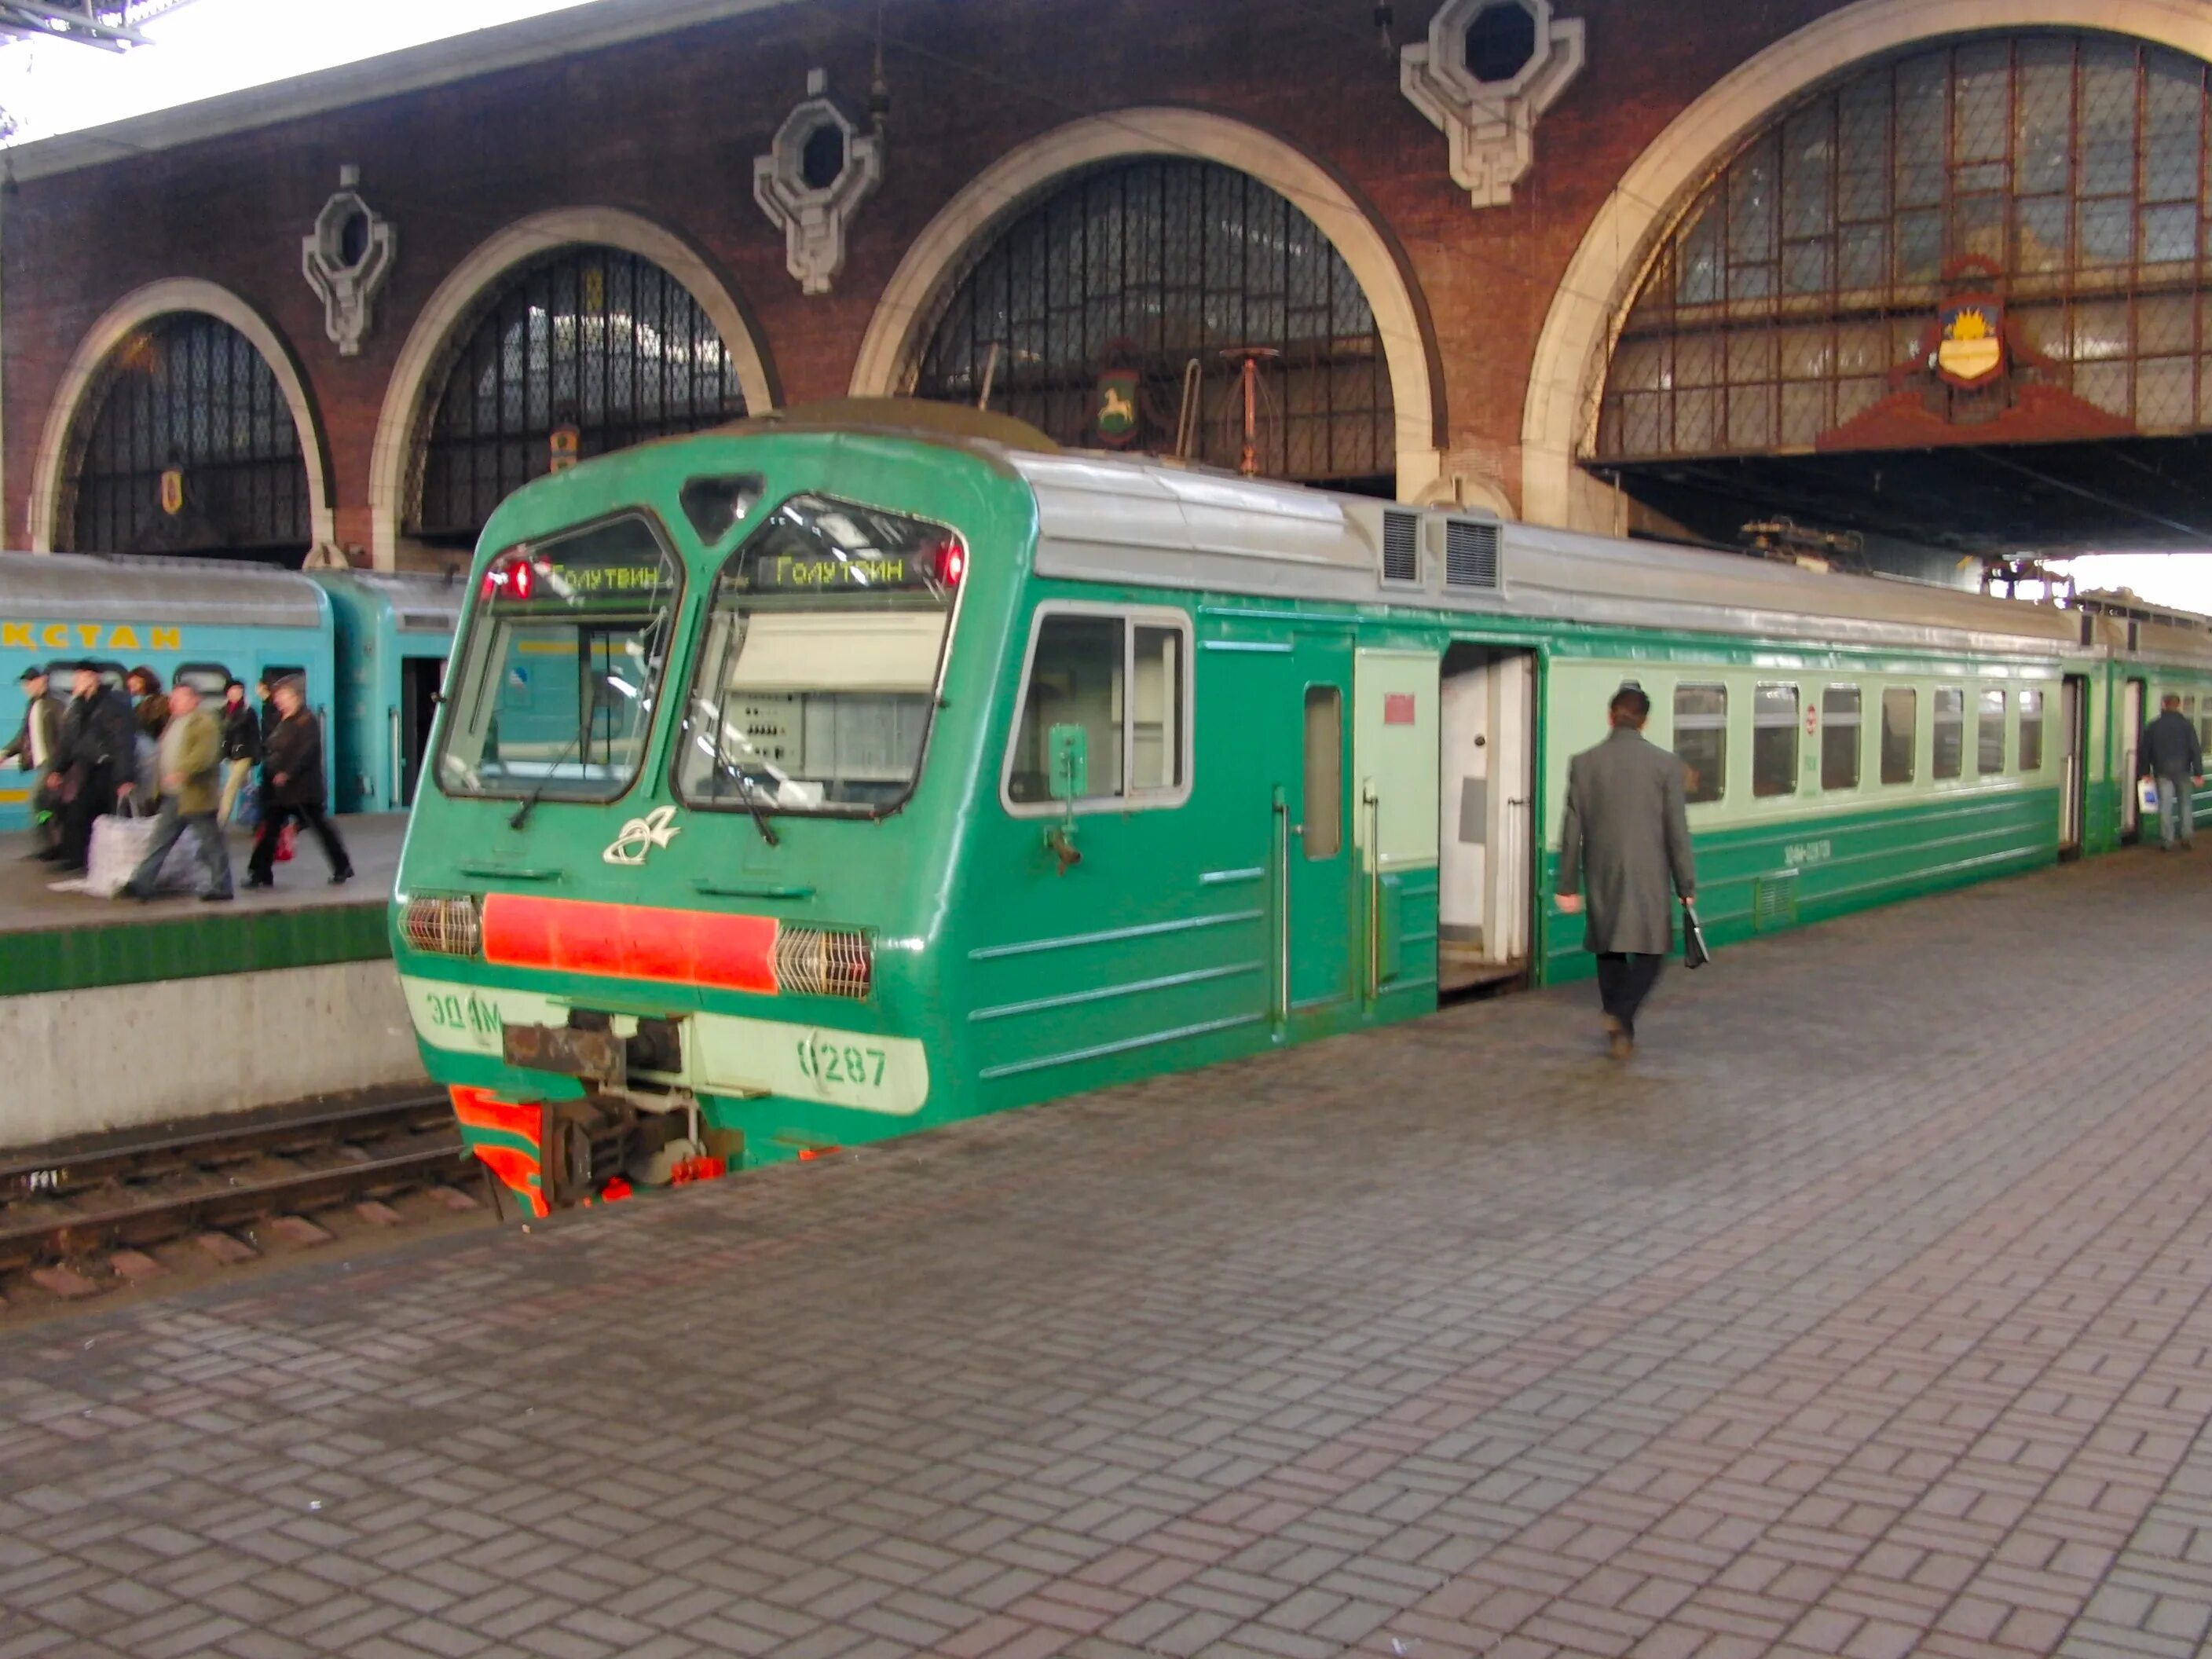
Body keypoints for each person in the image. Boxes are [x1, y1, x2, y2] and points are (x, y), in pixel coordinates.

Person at [1555, 683, 1697, 1060]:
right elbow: (1676, 831)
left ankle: (1622, 1034)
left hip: (1601, 872)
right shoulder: (1666, 765)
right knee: (1652, 953)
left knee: (1609, 949)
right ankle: (1620, 1014)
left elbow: (1571, 829)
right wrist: (1686, 883)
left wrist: (1567, 884)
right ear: (1645, 722)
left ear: (1610, 716)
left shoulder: (1583, 763)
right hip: (1650, 873)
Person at [122, 677, 232, 903]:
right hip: (174, 795)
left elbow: (205, 755)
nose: (174, 702)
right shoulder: (175, 721)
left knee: (211, 842)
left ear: (194, 700)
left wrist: (183, 771)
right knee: (159, 840)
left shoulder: (204, 723)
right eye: (174, 698)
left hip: (196, 794)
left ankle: (222, 886)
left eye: (180, 698)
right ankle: (141, 882)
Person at [248, 676, 352, 888]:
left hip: (302, 789)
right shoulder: (281, 719)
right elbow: (271, 745)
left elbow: (308, 750)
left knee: (321, 828)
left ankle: (342, 866)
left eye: (284, 696)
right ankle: (260, 872)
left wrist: (288, 772)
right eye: (278, 697)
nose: (279, 700)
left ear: (296, 697)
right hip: (278, 790)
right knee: (270, 830)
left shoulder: (307, 720)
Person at [45, 663, 138, 873]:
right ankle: (78, 858)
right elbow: (68, 742)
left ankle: (102, 860)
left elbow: (123, 741)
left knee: (105, 816)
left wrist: (125, 777)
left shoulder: (113, 704)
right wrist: (58, 770)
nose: (76, 683)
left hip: (109, 767)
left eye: (81, 678)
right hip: (87, 767)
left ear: (93, 678)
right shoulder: (77, 707)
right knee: (79, 812)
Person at [2, 664, 66, 856]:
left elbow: (64, 738)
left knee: (37, 802)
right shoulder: (32, 706)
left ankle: (47, 845)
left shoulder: (55, 705)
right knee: (47, 807)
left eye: (29, 683)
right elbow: (24, 736)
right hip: (42, 765)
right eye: (24, 684)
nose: (26, 688)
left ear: (42, 681)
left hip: (52, 764)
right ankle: (50, 843)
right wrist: (5, 752)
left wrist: (59, 768)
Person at [2140, 693, 2205, 852]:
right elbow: (2195, 750)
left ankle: (2167, 841)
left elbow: (2145, 751)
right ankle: (2186, 838)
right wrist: (2198, 773)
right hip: (2183, 771)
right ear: (2179, 705)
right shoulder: (2187, 726)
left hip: (2162, 771)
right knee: (2185, 805)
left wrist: (2145, 772)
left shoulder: (2153, 726)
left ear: (2163, 704)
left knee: (2165, 806)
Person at [218, 678, 262, 826]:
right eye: (234, 690)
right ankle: (261, 816)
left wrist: (256, 756)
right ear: (227, 692)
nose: (237, 693)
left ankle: (220, 822)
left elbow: (255, 734)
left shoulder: (248, 711)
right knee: (247, 787)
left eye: (240, 690)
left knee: (230, 787)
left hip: (244, 754)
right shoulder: (223, 711)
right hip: (230, 755)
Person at [123, 666, 169, 806]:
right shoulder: (139, 705)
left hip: (157, 757)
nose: (131, 687)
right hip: (145, 759)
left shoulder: (161, 702)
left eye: (135, 683)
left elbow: (164, 727)